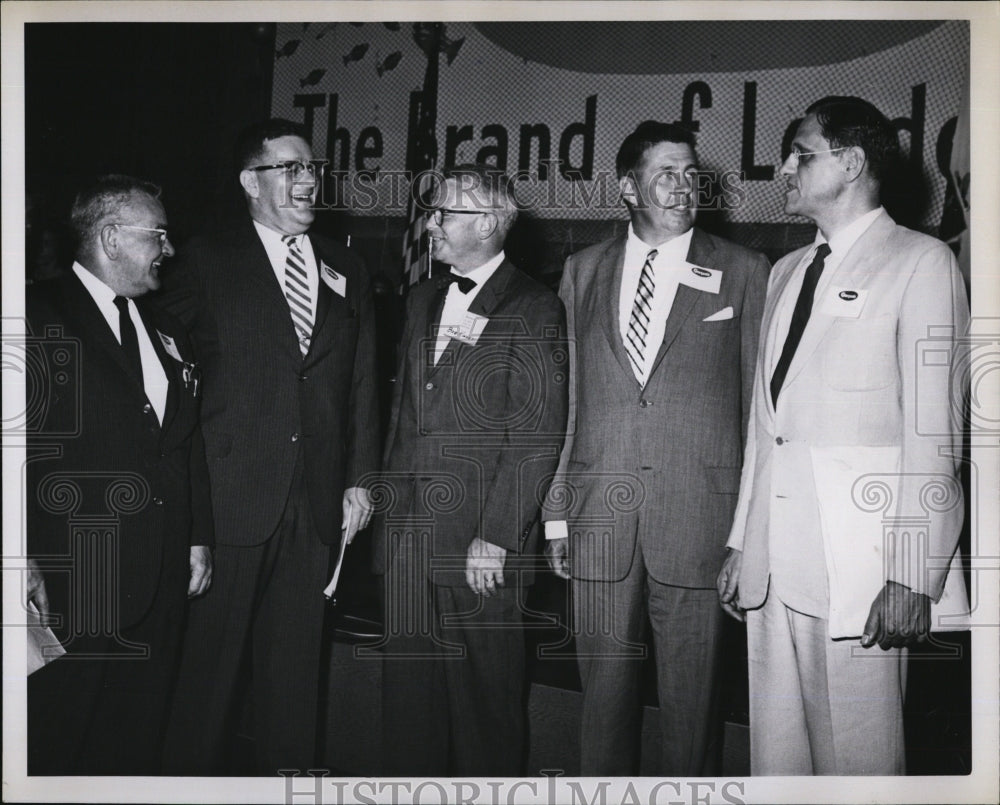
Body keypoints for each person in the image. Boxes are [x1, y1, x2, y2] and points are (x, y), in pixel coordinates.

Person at [717, 96, 969, 775]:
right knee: (777, 763)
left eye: (801, 153)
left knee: (859, 764)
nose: (784, 168)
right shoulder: (786, 272)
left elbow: (934, 431)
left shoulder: (922, 264)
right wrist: (745, 539)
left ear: (853, 163)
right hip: (775, 566)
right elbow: (765, 426)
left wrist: (912, 573)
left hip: (859, 572)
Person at [542, 121, 770, 775]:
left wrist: (748, 529)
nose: (683, 185)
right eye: (666, 171)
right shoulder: (581, 271)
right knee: (602, 706)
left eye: (691, 172)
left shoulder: (745, 270)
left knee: (692, 711)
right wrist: (558, 511)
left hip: (701, 521)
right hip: (599, 519)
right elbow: (569, 398)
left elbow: (760, 412)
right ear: (628, 187)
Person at [159, 119, 379, 774]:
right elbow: (172, 377)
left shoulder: (347, 266)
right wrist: (187, 504)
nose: (308, 178)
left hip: (314, 507)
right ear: (250, 182)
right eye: (289, 167)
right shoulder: (205, 259)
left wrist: (360, 476)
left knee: (294, 686)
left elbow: (364, 376)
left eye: (311, 167)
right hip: (231, 506)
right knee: (208, 686)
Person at [372, 164, 567, 775]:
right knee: (407, 706)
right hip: (407, 537)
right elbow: (404, 413)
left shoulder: (536, 307)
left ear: (486, 223)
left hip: (480, 547)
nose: (430, 224)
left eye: (443, 214)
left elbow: (537, 434)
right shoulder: (422, 296)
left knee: (485, 711)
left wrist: (501, 534)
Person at [25, 174, 213, 774]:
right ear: (110, 238)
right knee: (61, 736)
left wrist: (196, 535)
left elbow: (185, 444)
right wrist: (16, 551)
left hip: (159, 576)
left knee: (136, 739)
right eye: (156, 234)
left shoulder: (168, 331)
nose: (169, 248)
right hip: (72, 575)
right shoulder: (33, 314)